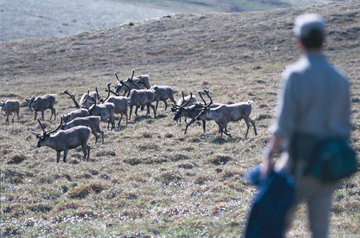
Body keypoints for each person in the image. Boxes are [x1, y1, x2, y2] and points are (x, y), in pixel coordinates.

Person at [261, 14, 352, 238]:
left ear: (298, 41)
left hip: (298, 162)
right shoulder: (340, 78)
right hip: (330, 163)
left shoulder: (295, 75)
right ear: (324, 39)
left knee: (277, 221)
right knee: (320, 229)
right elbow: (346, 126)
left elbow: (283, 124)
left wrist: (269, 156)